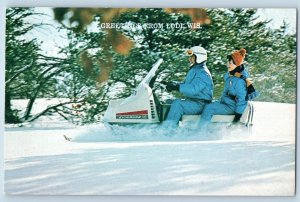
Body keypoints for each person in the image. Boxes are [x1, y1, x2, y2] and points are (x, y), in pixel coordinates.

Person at [163, 46, 214, 126]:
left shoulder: (203, 73)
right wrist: (171, 84)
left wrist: (177, 87)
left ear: (199, 57)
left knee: (178, 104)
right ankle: (162, 125)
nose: (189, 59)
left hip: (200, 104)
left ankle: (167, 130)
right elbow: (187, 85)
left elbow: (194, 89)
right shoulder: (195, 70)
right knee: (167, 102)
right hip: (193, 101)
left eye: (192, 56)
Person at [199, 48, 248, 126]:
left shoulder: (239, 81)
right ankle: (208, 128)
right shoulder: (231, 77)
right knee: (208, 105)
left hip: (232, 107)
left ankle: (201, 131)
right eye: (227, 62)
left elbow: (242, 99)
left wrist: (238, 116)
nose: (228, 64)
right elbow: (225, 93)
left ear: (237, 64)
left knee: (209, 108)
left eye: (231, 63)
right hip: (226, 103)